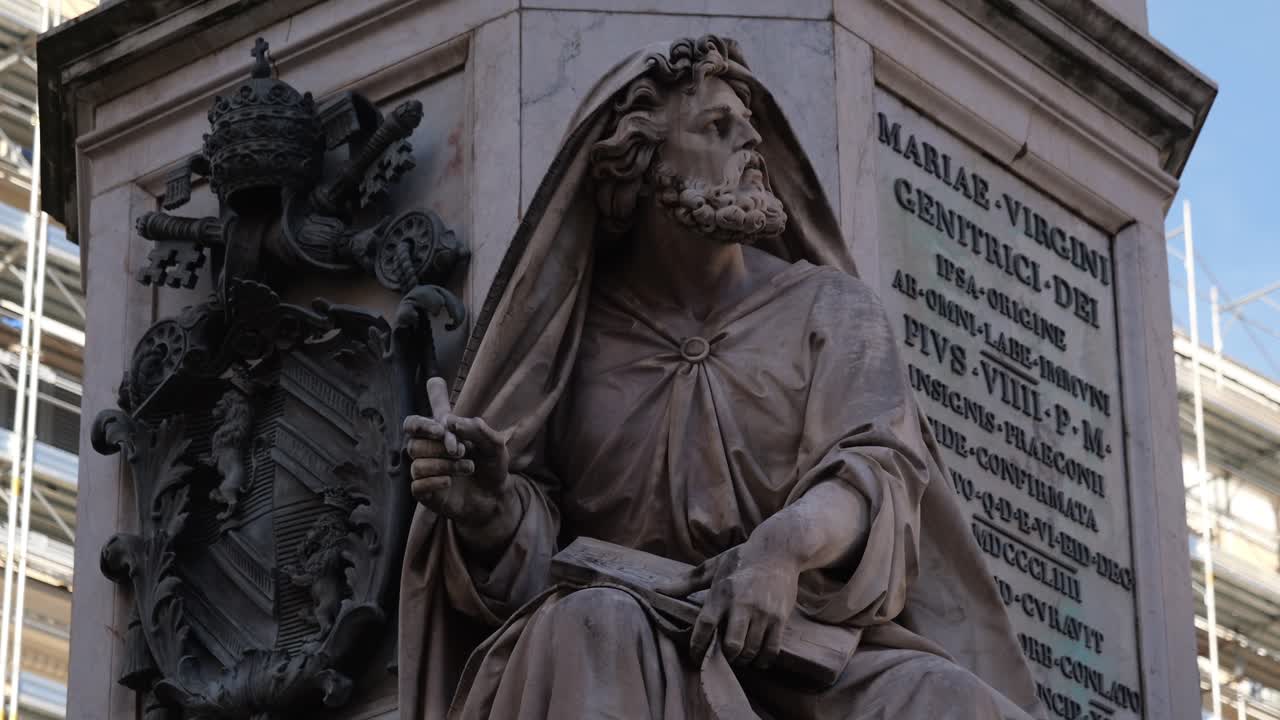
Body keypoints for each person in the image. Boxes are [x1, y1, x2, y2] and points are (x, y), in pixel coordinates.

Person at [398, 35, 1044, 719]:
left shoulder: (830, 306)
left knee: (948, 700)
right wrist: (490, 510)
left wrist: (782, 548)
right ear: (639, 164)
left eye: (749, 127)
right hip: (628, 632)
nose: (750, 146)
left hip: (802, 646)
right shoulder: (572, 336)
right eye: (717, 127)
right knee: (589, 625)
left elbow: (874, 473)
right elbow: (534, 565)